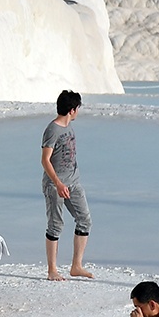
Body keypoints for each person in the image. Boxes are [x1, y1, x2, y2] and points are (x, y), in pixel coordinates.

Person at [42, 89, 94, 280]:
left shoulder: (70, 127)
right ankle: (52, 270)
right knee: (55, 225)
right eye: (78, 108)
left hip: (74, 183)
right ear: (72, 110)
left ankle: (76, 266)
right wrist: (58, 183)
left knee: (85, 219)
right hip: (55, 185)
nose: (78, 112)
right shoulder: (52, 130)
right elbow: (45, 160)